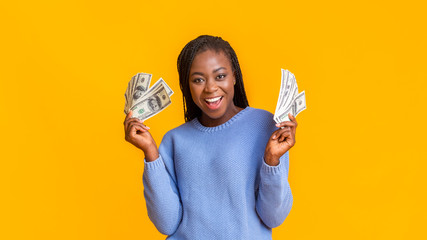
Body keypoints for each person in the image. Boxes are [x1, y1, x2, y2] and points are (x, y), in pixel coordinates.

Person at [124, 35, 298, 239]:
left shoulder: (266, 126)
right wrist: (150, 153)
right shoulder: (174, 140)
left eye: (220, 76)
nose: (210, 88)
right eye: (198, 79)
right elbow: (166, 224)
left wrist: (272, 161)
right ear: (187, 85)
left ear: (234, 76)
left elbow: (274, 217)